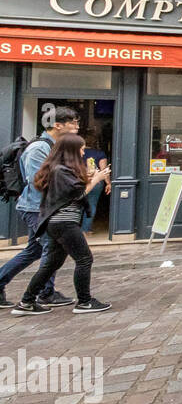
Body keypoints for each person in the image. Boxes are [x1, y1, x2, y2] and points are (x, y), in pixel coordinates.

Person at [12, 134, 112, 315]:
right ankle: (85, 302)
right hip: (64, 222)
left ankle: (26, 302)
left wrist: (90, 177)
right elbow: (77, 195)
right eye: (81, 149)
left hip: (57, 222)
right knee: (84, 259)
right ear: (71, 151)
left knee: (51, 263)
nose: (83, 152)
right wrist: (96, 179)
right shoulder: (61, 170)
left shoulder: (58, 169)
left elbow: (71, 191)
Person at [0, 106, 79, 310]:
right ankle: (44, 294)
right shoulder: (39, 148)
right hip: (36, 208)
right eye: (73, 123)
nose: (77, 127)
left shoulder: (56, 147)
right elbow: (40, 182)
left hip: (44, 207)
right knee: (52, 249)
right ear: (57, 125)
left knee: (34, 250)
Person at [80, 131, 110, 234]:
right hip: (96, 182)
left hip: (81, 180)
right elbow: (104, 170)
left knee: (77, 204)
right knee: (91, 205)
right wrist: (108, 183)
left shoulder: (77, 152)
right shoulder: (100, 153)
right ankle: (85, 229)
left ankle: (74, 230)